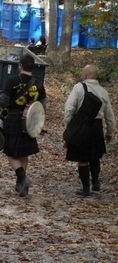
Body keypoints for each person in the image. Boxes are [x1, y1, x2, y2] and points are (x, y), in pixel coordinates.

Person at [0, 55, 46, 197]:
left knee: (11, 152)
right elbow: (42, 105)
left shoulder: (13, 80)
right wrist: (38, 122)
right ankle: (21, 186)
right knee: (23, 153)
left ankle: (22, 177)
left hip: (14, 118)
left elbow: (3, 100)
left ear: (21, 66)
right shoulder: (38, 83)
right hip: (30, 121)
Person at [64, 64, 116, 196]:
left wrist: (69, 127)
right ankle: (96, 183)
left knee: (83, 158)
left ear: (85, 75)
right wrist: (110, 132)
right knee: (95, 156)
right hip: (97, 127)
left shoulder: (79, 87)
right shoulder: (103, 91)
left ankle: (86, 188)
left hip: (82, 126)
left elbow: (69, 109)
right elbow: (110, 115)